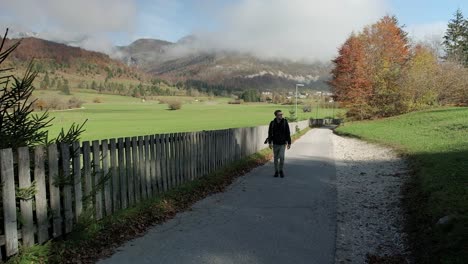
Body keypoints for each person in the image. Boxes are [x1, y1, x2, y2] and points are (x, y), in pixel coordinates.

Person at [268, 110, 291, 178]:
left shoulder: (285, 122)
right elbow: (269, 133)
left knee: (281, 157)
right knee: (275, 158)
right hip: (275, 143)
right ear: (276, 115)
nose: (281, 115)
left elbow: (288, 132)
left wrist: (289, 142)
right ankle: (276, 171)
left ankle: (281, 170)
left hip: (282, 143)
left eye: (282, 114)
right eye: (280, 114)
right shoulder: (272, 123)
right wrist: (270, 142)